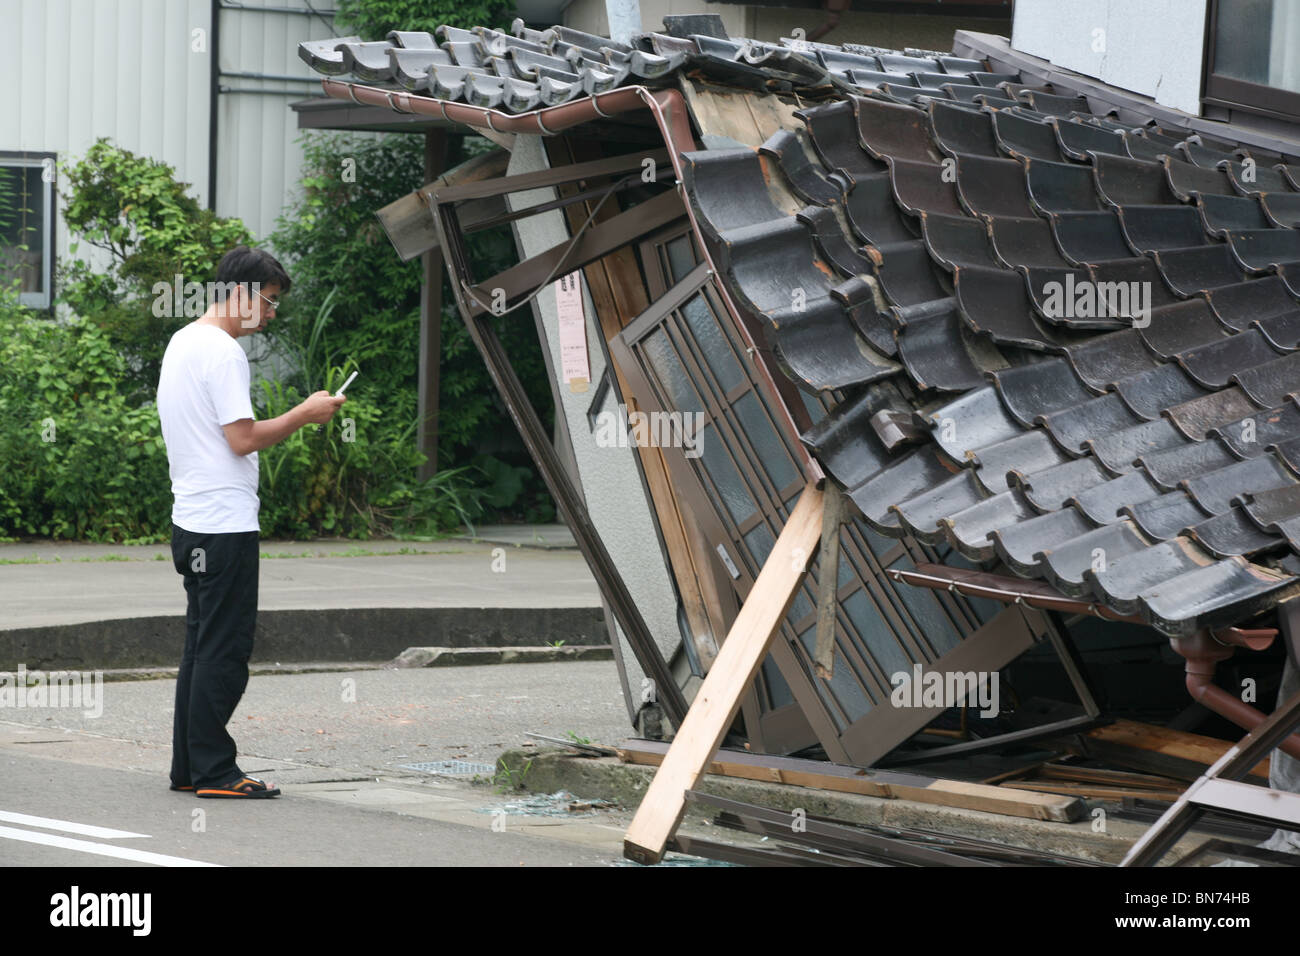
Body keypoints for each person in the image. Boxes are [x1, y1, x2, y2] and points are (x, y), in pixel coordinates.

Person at [156, 246, 345, 798]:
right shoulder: (223, 352)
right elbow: (242, 439)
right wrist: (304, 415)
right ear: (239, 293)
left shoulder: (183, 341)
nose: (272, 313)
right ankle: (216, 772)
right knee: (225, 650)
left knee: (200, 647)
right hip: (224, 525)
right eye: (269, 300)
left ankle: (190, 767)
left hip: (190, 521)